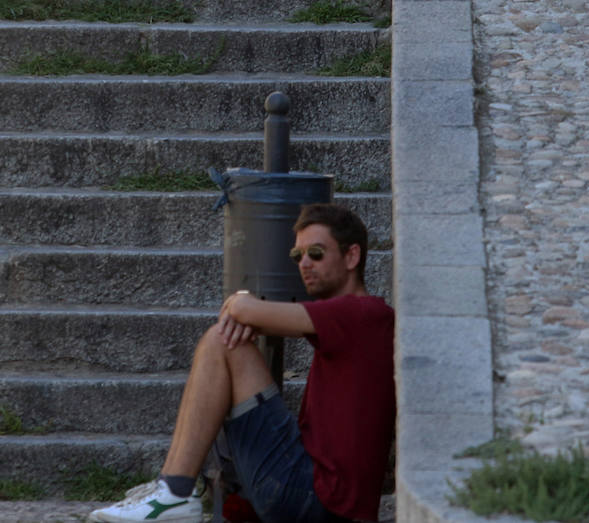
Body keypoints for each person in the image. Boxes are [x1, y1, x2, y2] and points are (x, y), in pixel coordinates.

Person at [88, 204, 394, 523]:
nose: (304, 263)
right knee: (226, 343)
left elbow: (248, 310)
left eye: (316, 253)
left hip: (318, 499)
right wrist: (246, 315)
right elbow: (259, 317)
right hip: (315, 498)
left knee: (222, 341)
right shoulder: (351, 321)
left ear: (352, 256)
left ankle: (176, 492)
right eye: (297, 255)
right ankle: (176, 490)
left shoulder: (365, 314)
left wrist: (240, 303)